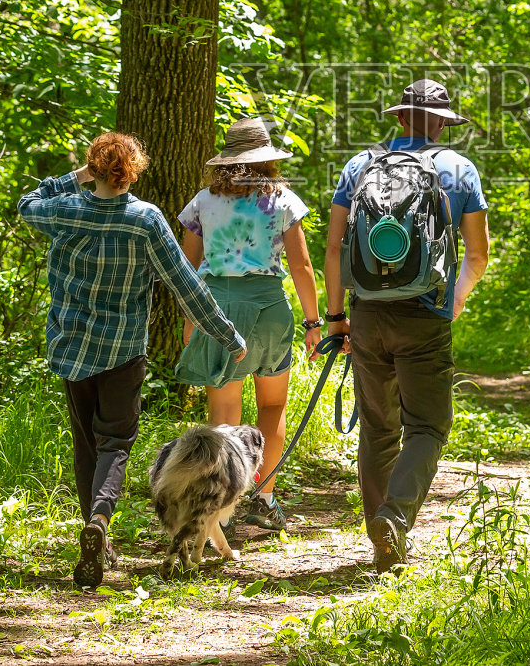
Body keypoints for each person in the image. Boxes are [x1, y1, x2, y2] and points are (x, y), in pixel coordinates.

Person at [18, 131, 246, 589]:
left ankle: (96, 534)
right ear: (134, 169)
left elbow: (27, 204)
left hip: (71, 347)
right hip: (122, 350)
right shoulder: (144, 220)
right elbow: (185, 285)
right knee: (114, 444)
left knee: (87, 446)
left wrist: (76, 177)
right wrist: (227, 334)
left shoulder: (66, 209)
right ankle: (99, 522)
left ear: (96, 168)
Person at [324, 79, 490, 573]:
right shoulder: (458, 169)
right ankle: (394, 518)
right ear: (442, 123)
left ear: (399, 118)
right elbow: (478, 255)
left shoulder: (359, 166)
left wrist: (337, 318)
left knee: (377, 428)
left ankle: (381, 529)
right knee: (428, 426)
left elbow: (334, 248)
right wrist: (453, 300)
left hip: (367, 312)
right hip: (427, 313)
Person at [172, 117, 320, 533]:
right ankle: (266, 499)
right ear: (267, 160)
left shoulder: (203, 201)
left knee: (223, 416)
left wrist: (190, 321)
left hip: (217, 309)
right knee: (272, 407)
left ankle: (222, 511)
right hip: (270, 309)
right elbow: (302, 265)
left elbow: (187, 269)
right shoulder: (283, 200)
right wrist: (314, 321)